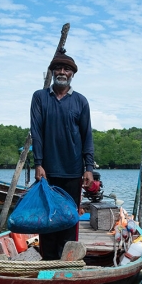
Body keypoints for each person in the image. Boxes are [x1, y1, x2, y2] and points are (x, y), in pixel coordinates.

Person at [30, 50, 95, 260]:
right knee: (47, 218)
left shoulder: (80, 102)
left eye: (67, 69)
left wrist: (89, 168)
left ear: (72, 74)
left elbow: (87, 136)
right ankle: (48, 262)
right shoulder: (40, 97)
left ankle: (66, 262)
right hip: (47, 172)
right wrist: (38, 163)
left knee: (69, 219)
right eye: (58, 68)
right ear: (52, 71)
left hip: (73, 171)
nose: (62, 72)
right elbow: (36, 132)